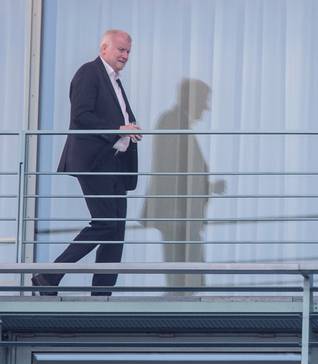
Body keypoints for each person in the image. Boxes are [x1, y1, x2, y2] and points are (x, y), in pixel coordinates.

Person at [31, 29, 142, 296]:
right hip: (95, 162)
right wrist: (120, 128)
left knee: (115, 232)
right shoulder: (89, 73)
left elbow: (115, 118)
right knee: (104, 223)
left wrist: (130, 129)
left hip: (115, 164)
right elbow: (81, 116)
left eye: (128, 51)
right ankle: (49, 275)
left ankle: (101, 297)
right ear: (104, 49)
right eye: (121, 50)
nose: (126, 56)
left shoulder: (114, 80)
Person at [140, 79, 225, 294]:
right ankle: (174, 316)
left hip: (181, 215)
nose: (206, 108)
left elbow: (181, 172)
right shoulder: (172, 123)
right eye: (204, 101)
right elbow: (168, 170)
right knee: (184, 278)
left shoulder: (177, 123)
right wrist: (177, 209)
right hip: (177, 216)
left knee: (189, 278)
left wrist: (207, 186)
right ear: (192, 99)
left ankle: (178, 310)